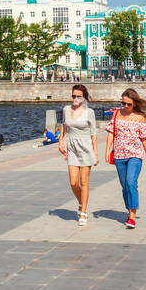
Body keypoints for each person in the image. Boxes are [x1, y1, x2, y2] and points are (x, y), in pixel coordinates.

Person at [104, 88, 146, 229]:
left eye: (128, 104)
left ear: (135, 104)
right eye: (123, 103)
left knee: (131, 182)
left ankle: (132, 216)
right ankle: (129, 208)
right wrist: (107, 150)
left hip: (135, 155)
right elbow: (111, 133)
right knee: (124, 185)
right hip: (119, 155)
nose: (125, 107)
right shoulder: (117, 114)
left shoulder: (140, 117)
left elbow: (144, 138)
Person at [59, 84, 99, 226]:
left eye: (78, 96)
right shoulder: (66, 109)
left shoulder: (89, 112)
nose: (75, 99)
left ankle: (83, 212)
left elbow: (93, 133)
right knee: (73, 182)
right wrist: (60, 141)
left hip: (86, 147)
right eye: (73, 96)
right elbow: (64, 126)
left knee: (84, 182)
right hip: (72, 147)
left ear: (83, 98)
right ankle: (81, 202)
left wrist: (95, 152)